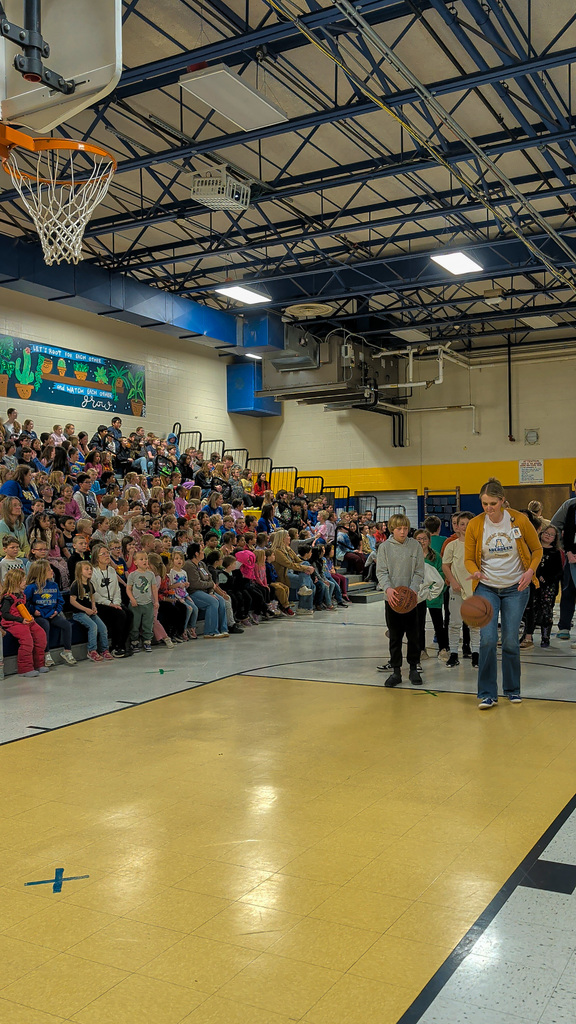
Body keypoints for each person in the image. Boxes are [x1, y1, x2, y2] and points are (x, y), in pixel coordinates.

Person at [464, 478, 542, 709]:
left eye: (493, 503)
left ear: (502, 501)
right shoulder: (475, 525)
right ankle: (487, 693)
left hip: (516, 588)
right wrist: (475, 572)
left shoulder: (519, 520)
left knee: (509, 640)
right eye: (485, 504)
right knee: (487, 640)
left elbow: (537, 550)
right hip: (486, 588)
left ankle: (512, 689)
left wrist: (530, 572)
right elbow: (468, 558)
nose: (488, 508)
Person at [375, 513, 425, 687]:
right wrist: (388, 589)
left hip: (411, 600)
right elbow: (381, 572)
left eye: (405, 528)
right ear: (392, 529)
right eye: (399, 529)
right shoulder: (385, 548)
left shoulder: (415, 546)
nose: (403, 532)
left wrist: (412, 591)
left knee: (414, 635)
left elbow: (419, 571)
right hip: (392, 600)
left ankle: (413, 668)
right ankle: (396, 671)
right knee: (395, 636)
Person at [441, 512, 480, 667]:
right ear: (457, 526)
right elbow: (446, 565)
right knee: (455, 623)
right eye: (461, 524)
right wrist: (453, 581)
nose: (465, 527)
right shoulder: (452, 545)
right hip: (457, 590)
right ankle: (454, 654)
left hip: (474, 590)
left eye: (468, 524)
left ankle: (476, 654)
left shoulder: (478, 546)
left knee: (475, 624)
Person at [24, 560, 76, 667]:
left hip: (52, 613)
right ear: (40, 572)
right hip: (39, 615)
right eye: (49, 569)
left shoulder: (53, 585)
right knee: (45, 625)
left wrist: (56, 610)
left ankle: (67, 651)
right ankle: (46, 654)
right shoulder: (31, 588)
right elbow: (25, 603)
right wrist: (33, 611)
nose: (52, 571)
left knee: (66, 624)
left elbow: (60, 601)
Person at [521, 523, 563, 649]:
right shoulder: (533, 549)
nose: (548, 536)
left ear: (555, 538)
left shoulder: (556, 552)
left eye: (551, 535)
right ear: (541, 533)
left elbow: (559, 571)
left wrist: (548, 579)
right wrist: (537, 575)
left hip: (549, 586)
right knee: (531, 609)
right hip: (534, 583)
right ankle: (528, 635)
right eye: (546, 533)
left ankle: (546, 637)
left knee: (546, 611)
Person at [1, 566, 48, 677]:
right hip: (13, 622)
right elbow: (5, 614)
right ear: (16, 582)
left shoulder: (22, 595)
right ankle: (25, 668)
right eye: (22, 580)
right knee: (27, 640)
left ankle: (39, 663)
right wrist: (21, 620)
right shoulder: (7, 597)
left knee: (40, 635)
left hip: (25, 620)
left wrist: (28, 616)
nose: (25, 582)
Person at [90, 545, 132, 658]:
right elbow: (94, 594)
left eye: (107, 553)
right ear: (96, 557)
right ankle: (115, 647)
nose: (106, 555)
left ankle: (122, 645)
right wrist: (110, 604)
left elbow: (117, 590)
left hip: (113, 602)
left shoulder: (112, 571)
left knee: (129, 613)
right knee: (120, 615)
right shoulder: (93, 572)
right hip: (100, 604)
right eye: (103, 554)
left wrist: (117, 603)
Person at [414, 528, 449, 661]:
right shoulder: (413, 557)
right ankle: (421, 649)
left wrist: (433, 587)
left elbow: (441, 574)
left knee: (438, 623)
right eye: (419, 539)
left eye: (424, 539)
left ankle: (443, 648)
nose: (422, 541)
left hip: (434, 595)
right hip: (419, 596)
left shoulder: (435, 556)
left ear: (429, 540)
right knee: (419, 624)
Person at [69, 561, 113, 662]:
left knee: (103, 627)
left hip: (90, 612)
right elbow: (72, 601)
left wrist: (93, 607)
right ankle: (92, 650)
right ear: (80, 571)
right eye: (86, 569)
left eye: (90, 569)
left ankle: (104, 649)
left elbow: (92, 596)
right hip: (79, 613)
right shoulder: (76, 585)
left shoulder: (90, 584)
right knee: (93, 626)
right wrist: (85, 610)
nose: (90, 571)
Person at [183, 543, 229, 638]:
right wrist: (211, 585)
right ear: (196, 553)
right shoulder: (189, 565)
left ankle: (223, 629)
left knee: (221, 600)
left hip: (205, 591)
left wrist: (211, 591)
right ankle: (210, 631)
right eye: (201, 551)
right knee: (212, 602)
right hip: (194, 592)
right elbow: (196, 584)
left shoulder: (202, 564)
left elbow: (210, 578)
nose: (203, 552)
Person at [551, 482, 576, 640]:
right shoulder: (570, 506)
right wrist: (565, 550)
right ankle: (564, 626)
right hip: (571, 555)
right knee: (568, 590)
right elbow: (554, 527)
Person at [127, 550, 158, 653]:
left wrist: (156, 601)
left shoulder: (151, 574)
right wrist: (132, 599)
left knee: (148, 623)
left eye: (146, 559)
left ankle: (147, 641)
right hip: (136, 604)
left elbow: (154, 588)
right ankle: (134, 641)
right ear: (135, 562)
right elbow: (128, 588)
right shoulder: (132, 575)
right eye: (141, 559)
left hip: (148, 603)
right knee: (135, 624)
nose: (144, 561)